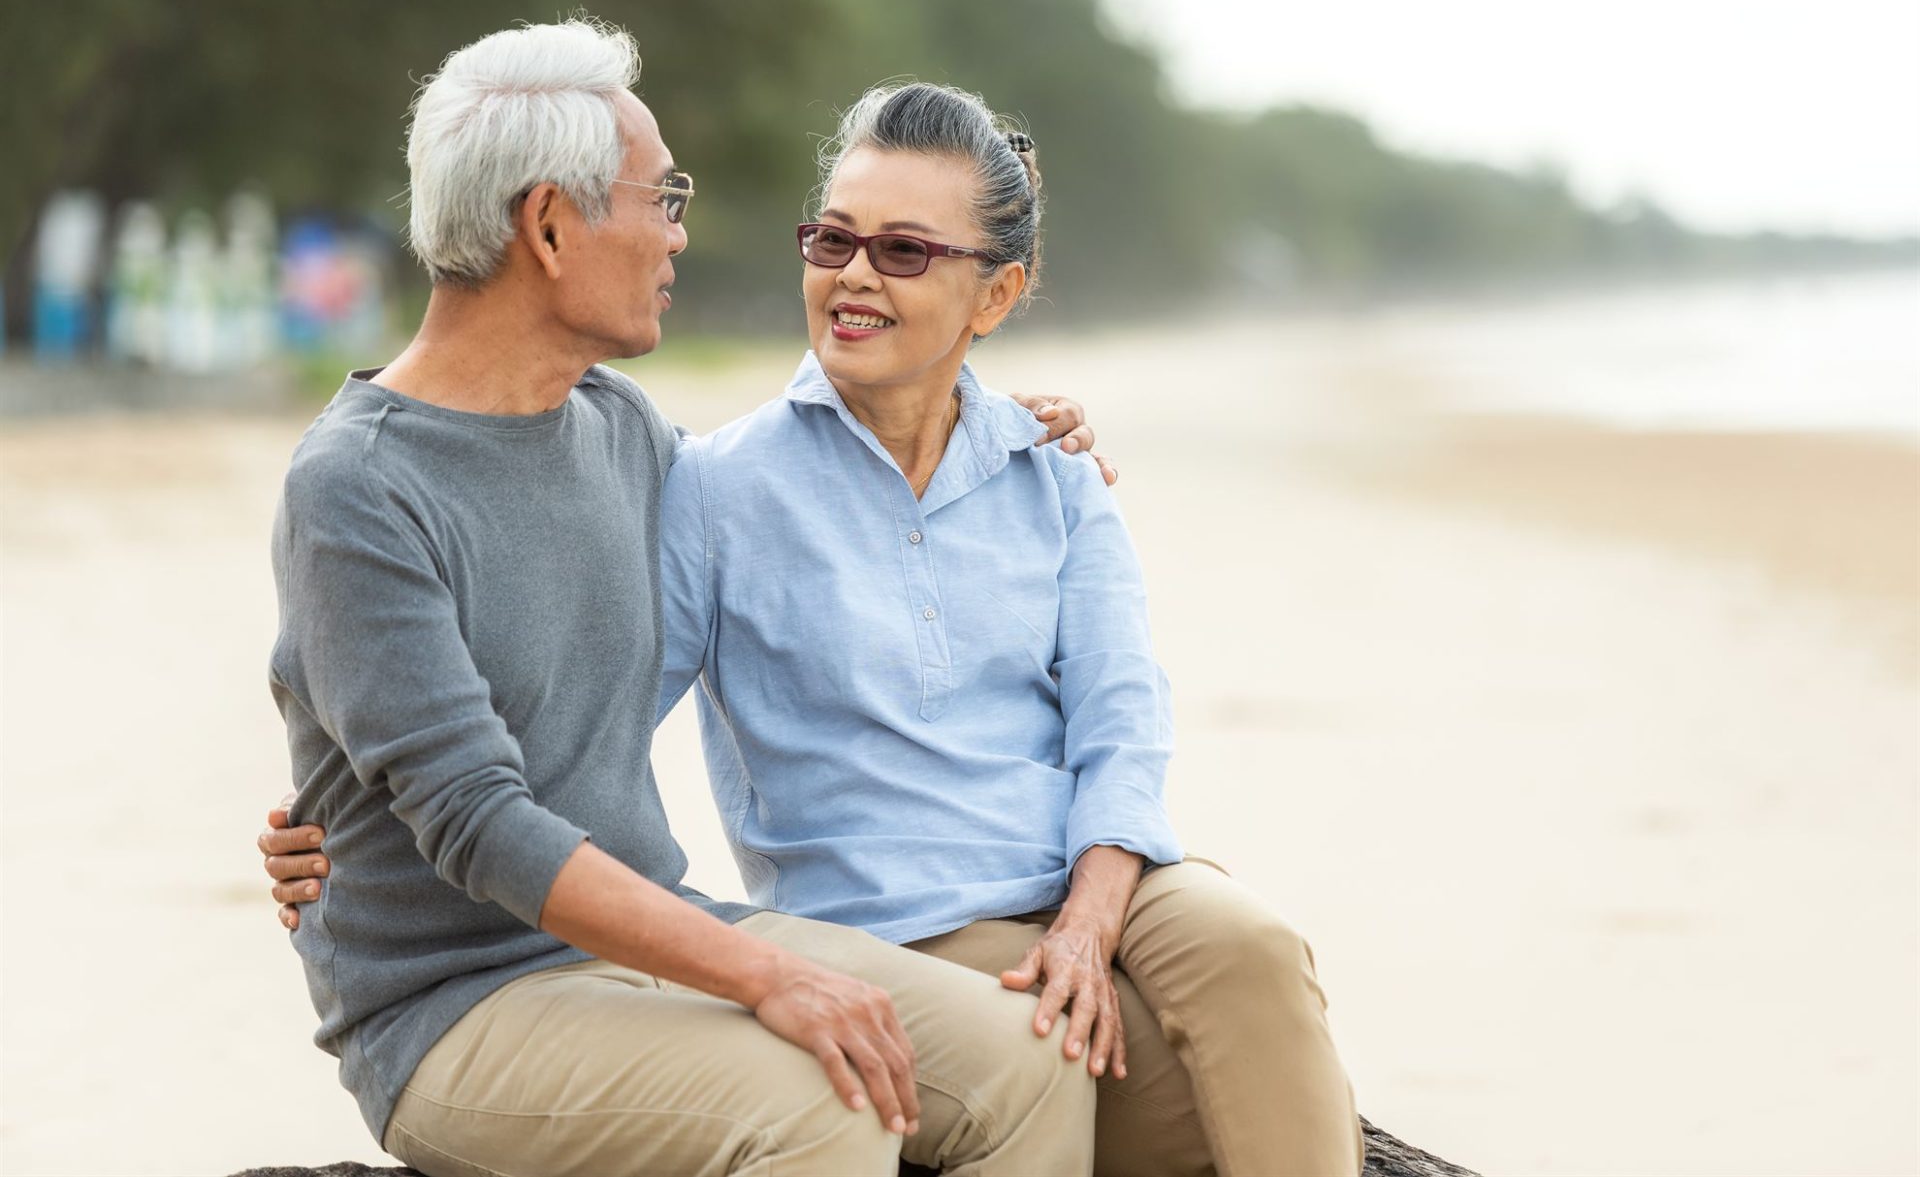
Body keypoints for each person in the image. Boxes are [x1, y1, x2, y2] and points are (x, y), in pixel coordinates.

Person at [265, 77, 1364, 1176]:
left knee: (1250, 953)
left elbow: (1125, 716)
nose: (683, 234)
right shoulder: (699, 482)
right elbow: (516, 753)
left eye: (904, 253)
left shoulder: (634, 431)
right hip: (827, 928)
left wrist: (1087, 913)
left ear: (997, 297)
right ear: (552, 227)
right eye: (834, 239)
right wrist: (343, 813)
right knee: (887, 1092)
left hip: (1045, 880)